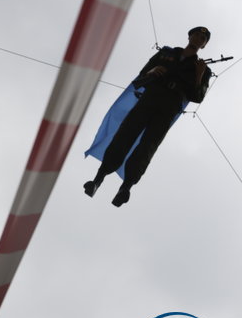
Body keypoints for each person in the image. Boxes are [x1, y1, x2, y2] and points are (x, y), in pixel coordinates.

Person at [84, 27, 212, 207]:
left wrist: (198, 75)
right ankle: (98, 179)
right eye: (197, 34)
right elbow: (143, 73)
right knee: (125, 135)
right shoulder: (167, 53)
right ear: (189, 36)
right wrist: (153, 71)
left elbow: (197, 97)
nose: (199, 38)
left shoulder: (203, 69)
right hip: (150, 98)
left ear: (204, 45)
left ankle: (126, 187)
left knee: (148, 145)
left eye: (204, 37)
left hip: (169, 107)